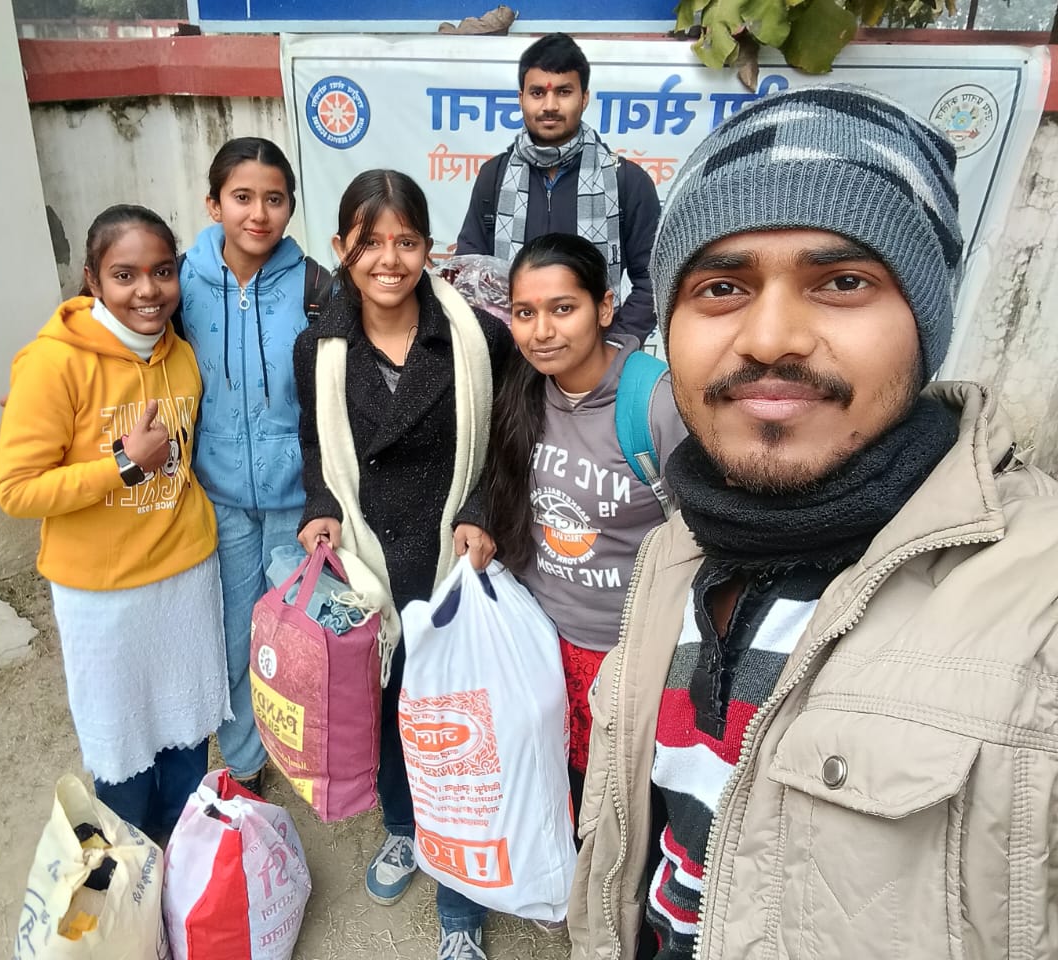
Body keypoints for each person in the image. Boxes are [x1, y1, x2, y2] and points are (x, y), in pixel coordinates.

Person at [569, 83, 1058, 960]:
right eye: (721, 287)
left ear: (926, 323)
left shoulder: (1052, 616)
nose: (770, 337)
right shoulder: (676, 547)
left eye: (842, 282)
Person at [294, 169, 512, 960]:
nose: (389, 260)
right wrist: (320, 505)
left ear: (430, 247)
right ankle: (401, 825)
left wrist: (484, 510)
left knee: (456, 727)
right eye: (370, 242)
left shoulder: (477, 337)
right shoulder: (318, 347)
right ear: (340, 247)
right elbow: (315, 443)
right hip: (368, 561)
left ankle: (461, 899)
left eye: (406, 241)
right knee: (385, 707)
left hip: (452, 553)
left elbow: (509, 439)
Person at [0, 204, 229, 844]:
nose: (147, 290)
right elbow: (16, 490)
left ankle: (184, 864)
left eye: (162, 271)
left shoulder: (181, 355)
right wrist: (123, 465)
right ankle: (132, 877)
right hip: (103, 595)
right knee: (124, 753)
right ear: (93, 280)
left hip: (184, 578)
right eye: (125, 275)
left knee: (186, 741)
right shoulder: (53, 364)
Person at [484, 232, 685, 828]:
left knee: (629, 805)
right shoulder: (520, 390)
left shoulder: (656, 403)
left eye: (562, 308)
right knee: (561, 791)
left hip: (632, 658)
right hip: (542, 647)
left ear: (604, 308)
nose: (541, 331)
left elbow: (702, 535)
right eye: (525, 313)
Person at [177, 137, 325, 795]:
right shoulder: (180, 281)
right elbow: (104, 331)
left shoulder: (317, 286)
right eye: (242, 197)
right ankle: (243, 762)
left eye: (274, 199)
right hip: (220, 498)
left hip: (299, 501)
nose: (258, 214)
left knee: (300, 639)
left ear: (291, 206)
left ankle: (304, 752)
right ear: (214, 204)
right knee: (234, 634)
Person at [454, 33, 661, 340]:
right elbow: (468, 275)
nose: (549, 105)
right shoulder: (494, 177)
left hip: (596, 357)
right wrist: (497, 340)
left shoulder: (626, 181)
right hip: (511, 353)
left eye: (564, 92)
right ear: (521, 98)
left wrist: (615, 345)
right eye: (537, 93)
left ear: (584, 98)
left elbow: (654, 280)